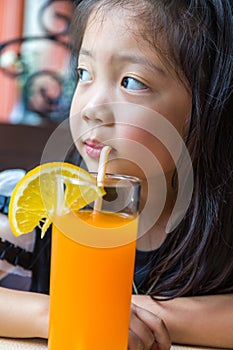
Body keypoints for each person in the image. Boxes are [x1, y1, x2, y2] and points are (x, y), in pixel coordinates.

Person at [67, 0, 233, 348]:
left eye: (131, 82)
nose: (93, 109)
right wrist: (61, 311)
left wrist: (125, 311)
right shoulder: (49, 198)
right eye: (84, 73)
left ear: (207, 106)